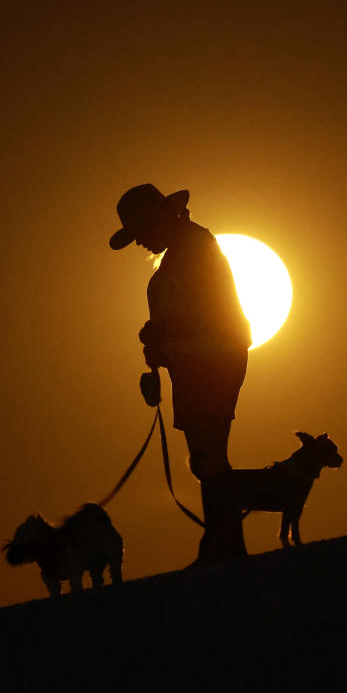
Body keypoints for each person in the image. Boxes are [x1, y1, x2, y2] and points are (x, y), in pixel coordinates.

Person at [109, 184, 252, 563]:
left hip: (210, 361)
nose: (139, 241)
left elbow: (205, 316)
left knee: (210, 456)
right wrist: (159, 342)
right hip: (195, 363)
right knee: (207, 457)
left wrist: (161, 339)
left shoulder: (194, 249)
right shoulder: (187, 249)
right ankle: (223, 544)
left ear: (155, 220)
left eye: (140, 232)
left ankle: (222, 546)